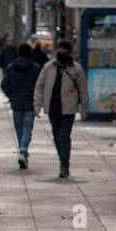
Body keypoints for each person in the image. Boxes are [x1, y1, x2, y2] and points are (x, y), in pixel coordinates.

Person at [34, 40, 88, 178]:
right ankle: (63, 161)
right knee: (57, 137)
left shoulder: (76, 69)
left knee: (64, 136)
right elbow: (40, 86)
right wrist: (37, 105)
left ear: (69, 52)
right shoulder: (48, 67)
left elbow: (83, 90)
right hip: (53, 108)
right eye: (59, 49)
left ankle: (64, 165)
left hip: (68, 109)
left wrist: (84, 109)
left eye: (64, 49)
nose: (61, 52)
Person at [1, 42, 42, 169]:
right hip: (30, 103)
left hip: (16, 103)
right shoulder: (36, 68)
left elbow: (4, 85)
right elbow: (40, 86)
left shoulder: (11, 67)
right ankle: (23, 151)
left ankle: (22, 151)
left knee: (19, 128)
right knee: (27, 128)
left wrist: (11, 95)